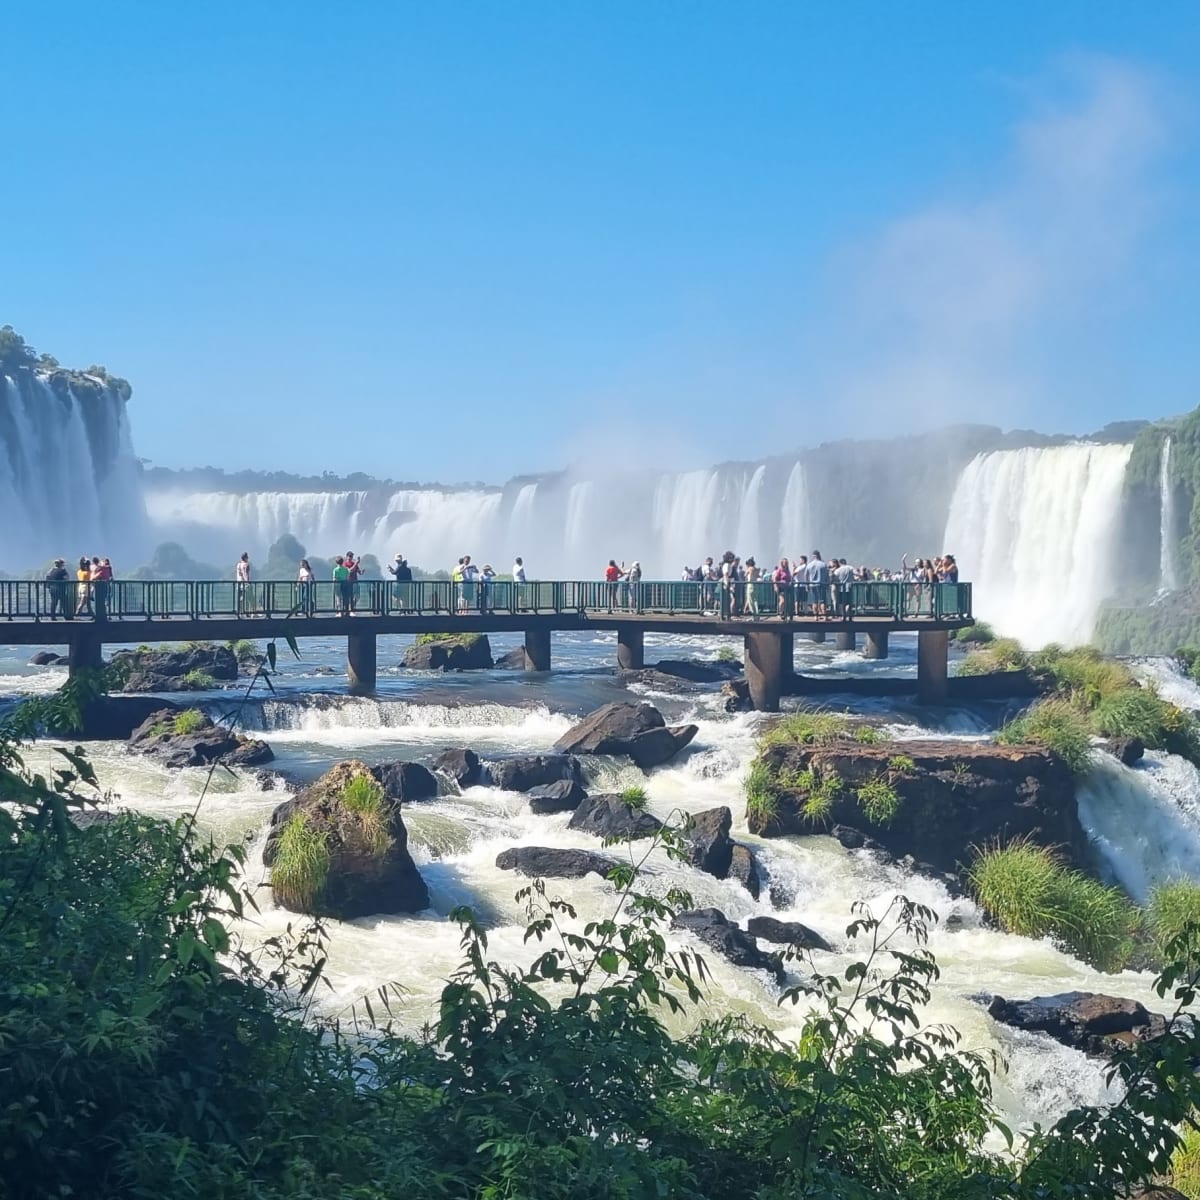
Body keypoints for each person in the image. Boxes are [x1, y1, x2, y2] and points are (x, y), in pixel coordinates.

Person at [807, 551, 829, 619]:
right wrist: (827, 583)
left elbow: (806, 575)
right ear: (819, 555)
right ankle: (824, 616)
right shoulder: (823, 564)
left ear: (813, 556)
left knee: (814, 601)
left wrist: (807, 584)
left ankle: (815, 616)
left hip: (812, 585)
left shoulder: (809, 565)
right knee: (822, 601)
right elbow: (827, 575)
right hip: (821, 584)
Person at [92, 557, 113, 622]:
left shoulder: (102, 569)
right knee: (107, 601)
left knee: (101, 601)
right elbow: (111, 577)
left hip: (100, 588)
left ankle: (100, 614)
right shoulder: (109, 568)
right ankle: (108, 615)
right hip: (108, 586)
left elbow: (94, 577)